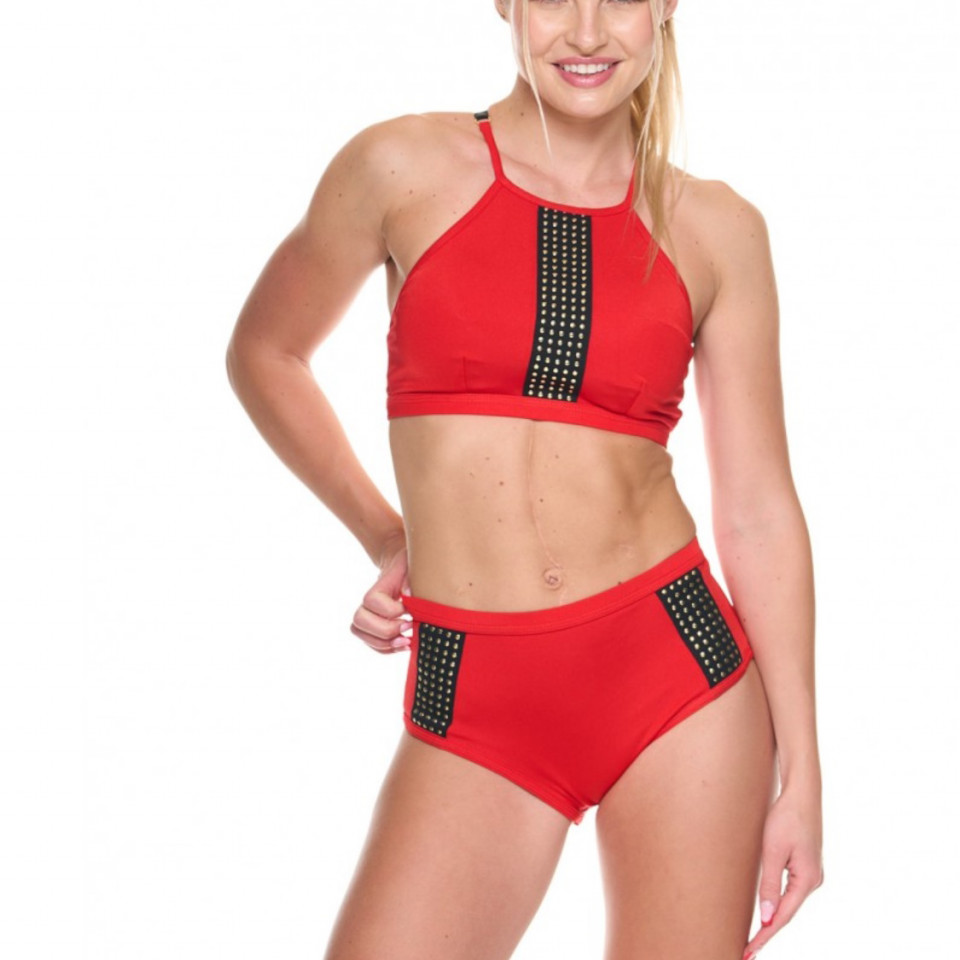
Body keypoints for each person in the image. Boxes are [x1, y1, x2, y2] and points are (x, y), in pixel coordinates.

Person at [226, 1, 824, 957]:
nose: (586, 32)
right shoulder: (399, 166)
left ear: (667, 6)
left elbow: (758, 510)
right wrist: (387, 536)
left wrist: (803, 775)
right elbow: (266, 353)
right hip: (475, 693)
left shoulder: (719, 228)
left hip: (676, 679)